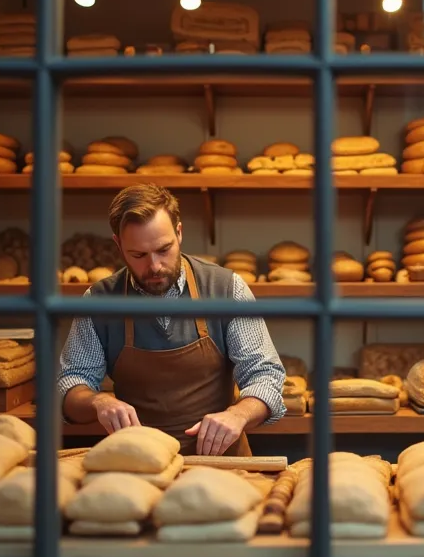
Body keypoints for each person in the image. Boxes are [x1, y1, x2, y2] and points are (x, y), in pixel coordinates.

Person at [58, 184, 286, 456]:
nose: (154, 266)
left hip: (222, 467)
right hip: (139, 467)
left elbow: (266, 375)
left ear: (179, 233)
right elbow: (70, 385)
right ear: (118, 244)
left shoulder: (226, 289)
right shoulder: (99, 302)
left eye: (163, 249)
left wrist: (238, 414)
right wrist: (98, 401)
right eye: (139, 255)